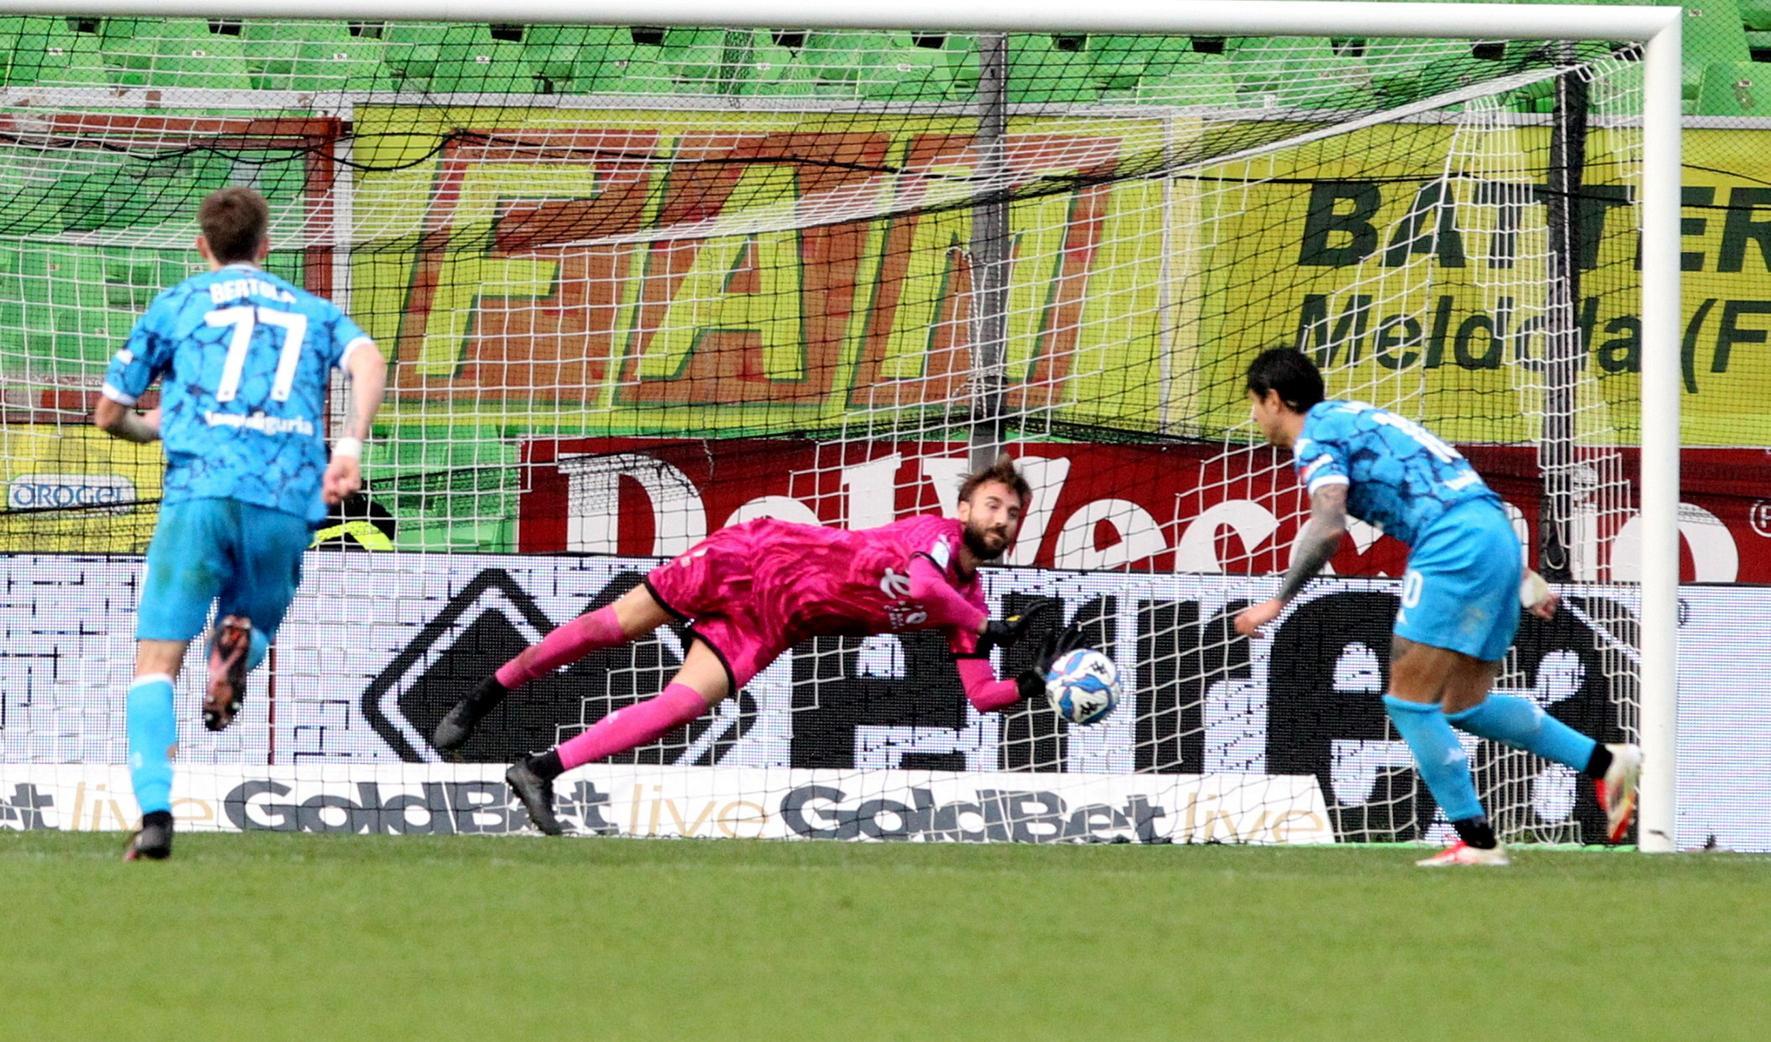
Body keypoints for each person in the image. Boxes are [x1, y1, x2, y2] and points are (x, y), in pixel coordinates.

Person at [434, 455, 1078, 835]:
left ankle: (539, 770)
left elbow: (982, 695)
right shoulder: (935, 537)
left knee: (682, 706)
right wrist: (989, 627)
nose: (1002, 519)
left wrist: (1033, 682)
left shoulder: (973, 604)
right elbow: (923, 585)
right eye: (992, 504)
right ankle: (487, 693)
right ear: (964, 507)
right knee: (616, 625)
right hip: (755, 557)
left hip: (773, 625)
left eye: (1014, 514)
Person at [1232, 348, 1642, 866]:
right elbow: (1445, 481)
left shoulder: (1316, 437)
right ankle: (1608, 761)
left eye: (1254, 403)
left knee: (1409, 703)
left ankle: (1477, 841)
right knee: (1461, 707)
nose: (1254, 418)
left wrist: (1278, 598)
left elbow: (1329, 522)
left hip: (1452, 545)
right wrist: (1517, 574)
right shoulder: (1358, 415)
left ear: (1274, 399)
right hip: (1492, 533)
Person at [95, 187, 387, 860]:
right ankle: (237, 651)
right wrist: (347, 447)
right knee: (251, 625)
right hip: (284, 498)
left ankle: (157, 815)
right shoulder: (312, 310)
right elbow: (368, 361)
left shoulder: (177, 305)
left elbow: (109, 414)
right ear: (266, 247)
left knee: (154, 664)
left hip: (199, 493)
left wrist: (149, 430)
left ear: (203, 248)